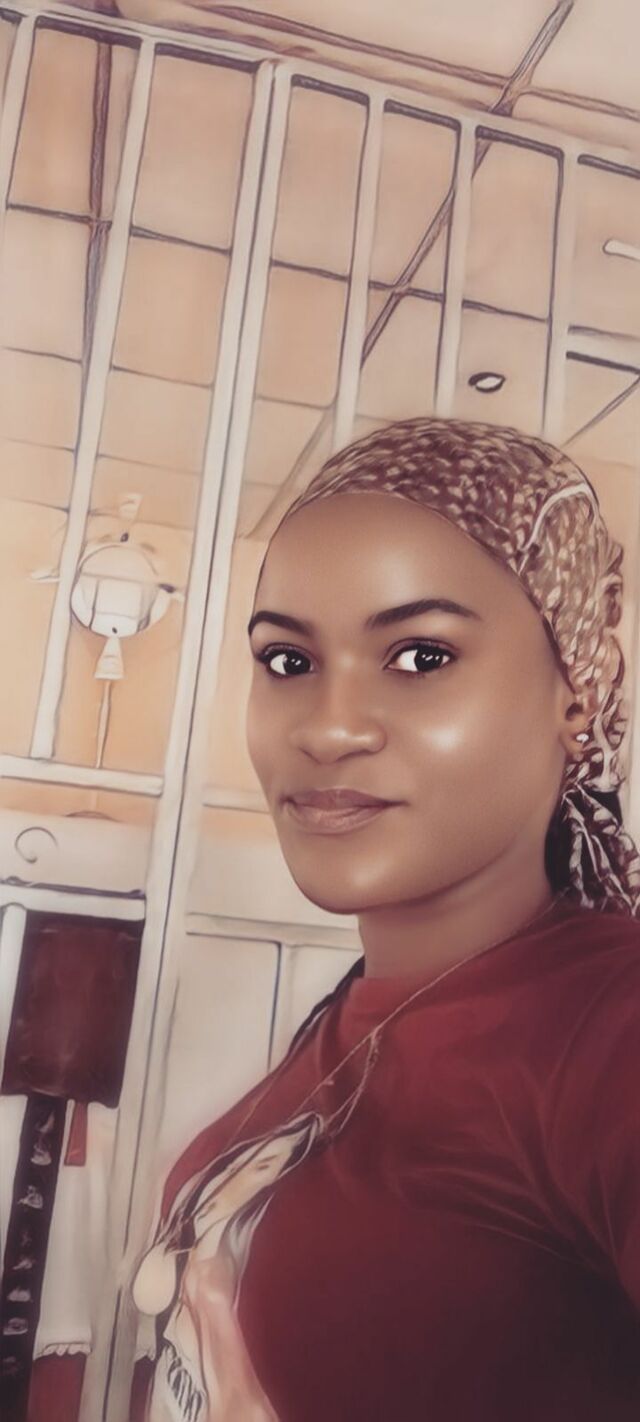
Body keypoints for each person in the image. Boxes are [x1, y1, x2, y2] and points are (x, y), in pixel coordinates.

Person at [135, 417, 640, 1421]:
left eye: (419, 655)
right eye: (288, 661)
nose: (327, 728)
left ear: (576, 695)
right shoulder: (355, 1012)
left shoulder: (609, 1027)